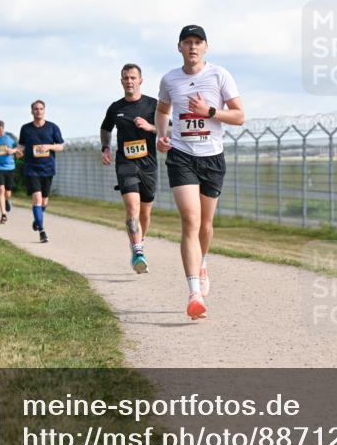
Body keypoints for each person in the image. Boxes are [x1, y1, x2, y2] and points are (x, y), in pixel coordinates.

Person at [156, 24, 245, 319]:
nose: (192, 47)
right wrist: (161, 133)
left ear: (205, 47)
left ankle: (202, 261)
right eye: (187, 42)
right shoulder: (170, 79)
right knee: (190, 220)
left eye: (198, 42)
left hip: (212, 156)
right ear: (179, 47)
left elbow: (239, 116)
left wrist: (209, 112)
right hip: (181, 155)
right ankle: (194, 293)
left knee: (206, 226)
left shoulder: (219, 75)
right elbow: (162, 110)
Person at [101, 63, 158, 273]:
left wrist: (150, 127)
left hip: (149, 164)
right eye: (126, 78)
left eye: (133, 77)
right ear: (121, 81)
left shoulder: (153, 105)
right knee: (132, 207)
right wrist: (105, 147)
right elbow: (105, 128)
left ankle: (139, 243)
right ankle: (138, 251)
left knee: (145, 213)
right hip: (125, 162)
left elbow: (169, 128)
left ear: (140, 80)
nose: (129, 81)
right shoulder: (116, 107)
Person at [17, 100, 64, 243]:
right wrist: (19, 152)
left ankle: (38, 219)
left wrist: (48, 146)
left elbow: (61, 146)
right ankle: (42, 231)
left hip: (48, 168)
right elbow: (21, 145)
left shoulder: (52, 127)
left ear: (44, 111)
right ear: (32, 111)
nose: (38, 111)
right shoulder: (25, 128)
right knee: (36, 198)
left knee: (44, 201)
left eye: (41, 109)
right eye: (36, 109)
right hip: (31, 168)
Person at [0, 120, 18, 224]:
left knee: (8, 192)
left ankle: (6, 200)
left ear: (3, 128)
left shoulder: (10, 137)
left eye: (0, 131)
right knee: (1, 189)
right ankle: (3, 214)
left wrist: (12, 151)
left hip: (10, 167)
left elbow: (19, 148)